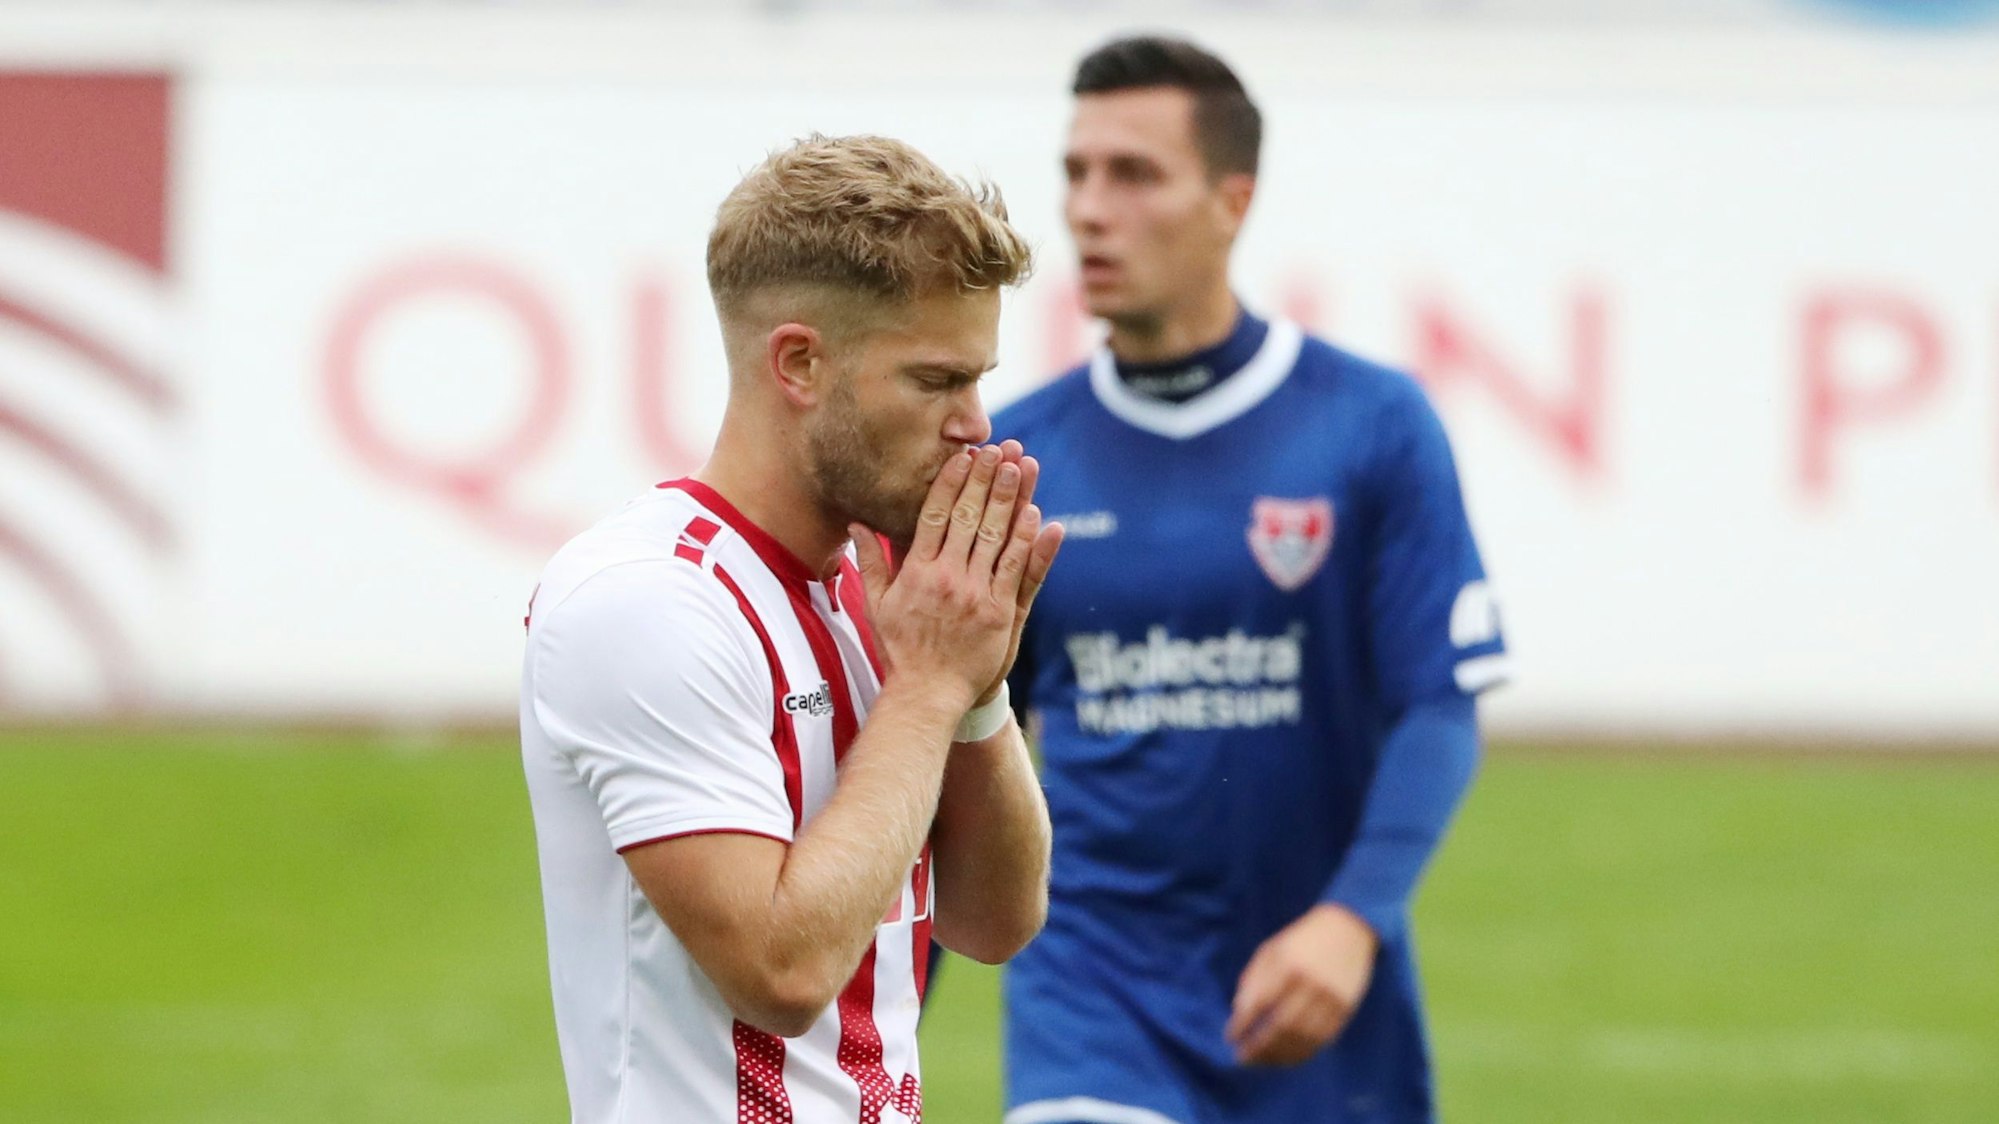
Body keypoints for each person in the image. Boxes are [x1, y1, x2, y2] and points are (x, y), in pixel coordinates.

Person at [994, 37, 1511, 1124]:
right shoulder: (1018, 456)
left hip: (1312, 1009)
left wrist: (1352, 918)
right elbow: (955, 743)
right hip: (1089, 996)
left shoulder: (1370, 424)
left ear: (1233, 200)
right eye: (1076, 172)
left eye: (1133, 174)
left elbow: (1436, 703)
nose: (1089, 209)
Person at [520, 134, 1063, 1123]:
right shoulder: (645, 599)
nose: (975, 423)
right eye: (937, 381)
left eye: (978, 379)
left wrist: (978, 686)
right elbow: (781, 966)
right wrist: (931, 687)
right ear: (801, 364)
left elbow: (996, 918)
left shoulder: (878, 594)